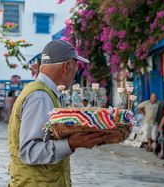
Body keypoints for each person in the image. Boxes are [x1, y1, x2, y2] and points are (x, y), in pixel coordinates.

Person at [8, 40, 110, 186]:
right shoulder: (40, 96)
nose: (75, 75)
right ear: (67, 66)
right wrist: (71, 143)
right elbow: (29, 152)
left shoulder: (45, 92)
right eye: (75, 68)